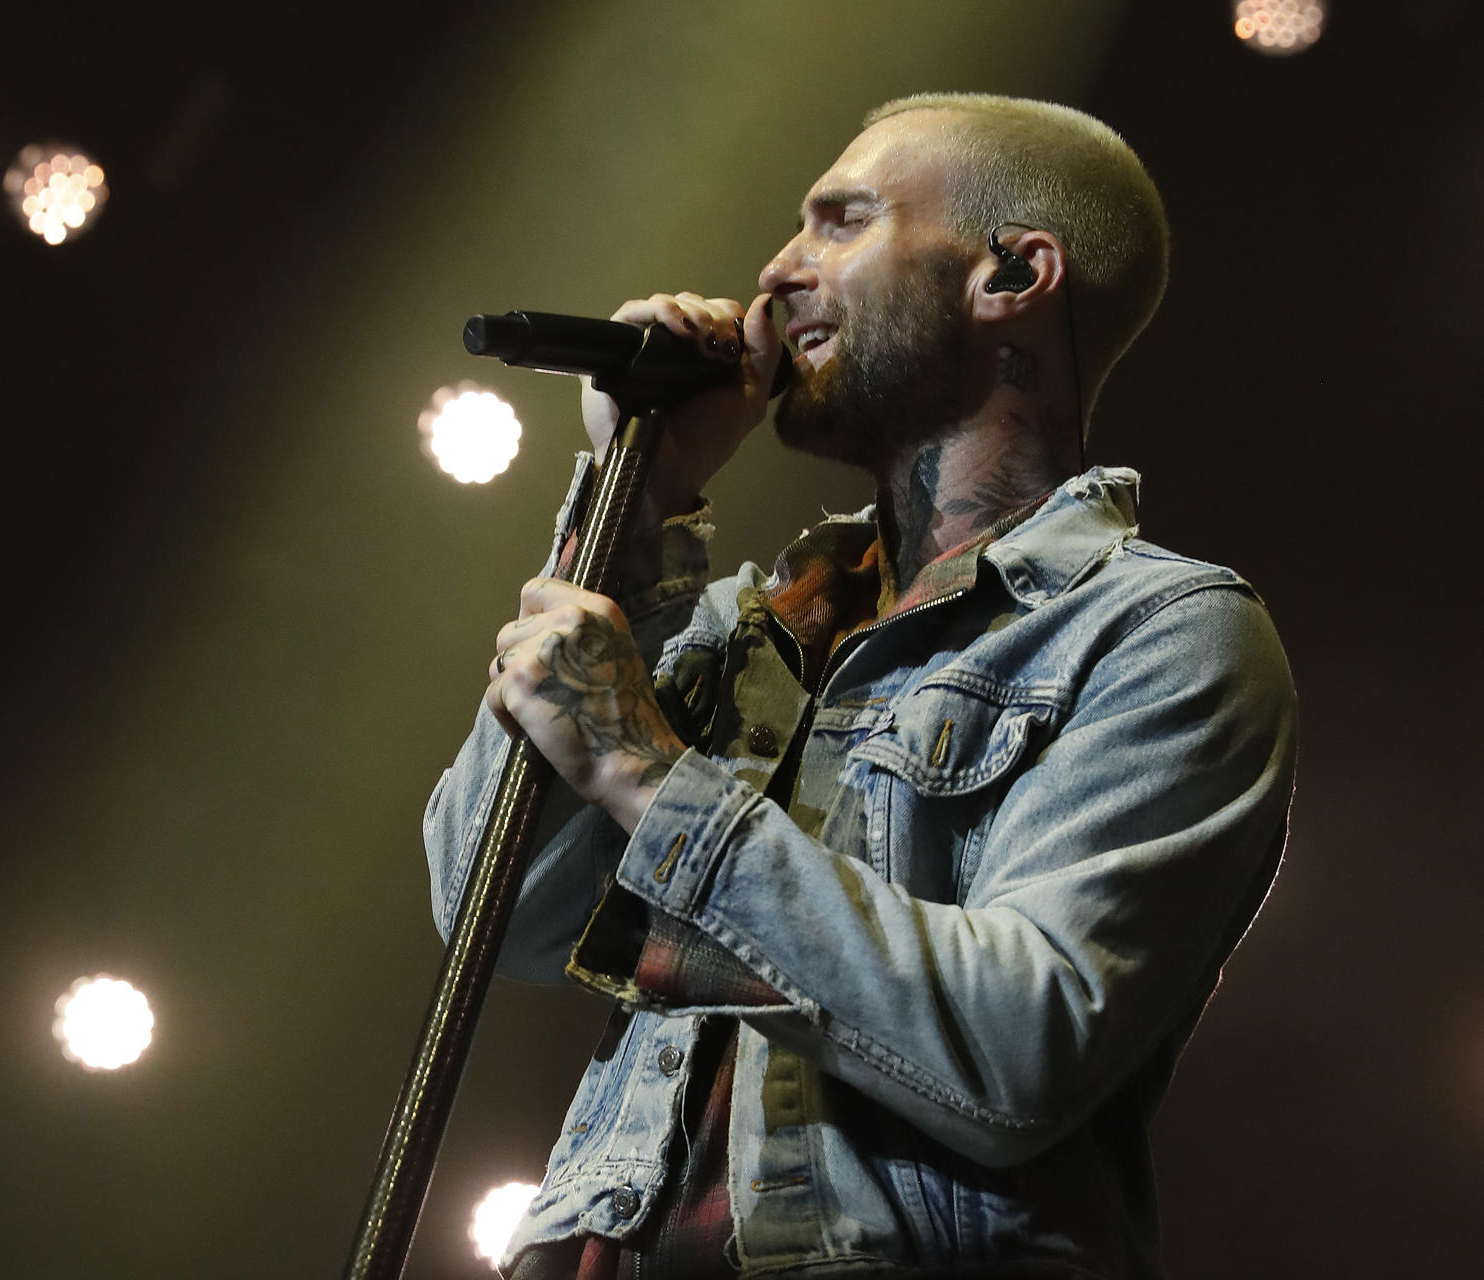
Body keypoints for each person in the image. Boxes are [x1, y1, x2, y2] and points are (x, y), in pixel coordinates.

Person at [423, 93, 1297, 1279]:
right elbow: (497, 911)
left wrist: (644, 765)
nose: (778, 274)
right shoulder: (755, 617)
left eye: (842, 221)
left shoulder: (1165, 634)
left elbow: (1018, 1049)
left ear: (1012, 275)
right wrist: (638, 513)